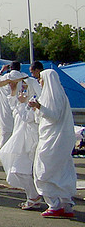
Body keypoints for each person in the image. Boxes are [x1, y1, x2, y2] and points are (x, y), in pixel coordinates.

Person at [29, 69, 77, 218]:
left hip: (52, 141)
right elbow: (42, 118)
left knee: (44, 171)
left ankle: (55, 205)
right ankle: (65, 204)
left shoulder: (54, 96)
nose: (39, 81)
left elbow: (53, 116)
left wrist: (38, 106)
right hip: (54, 139)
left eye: (41, 79)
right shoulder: (56, 95)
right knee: (61, 171)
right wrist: (38, 107)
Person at [0, 70, 41, 210]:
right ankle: (33, 196)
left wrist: (22, 103)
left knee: (19, 170)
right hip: (21, 137)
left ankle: (34, 197)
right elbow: (15, 110)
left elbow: (28, 117)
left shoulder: (32, 96)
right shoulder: (21, 95)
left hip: (29, 139)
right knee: (20, 169)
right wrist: (13, 95)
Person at [0, 62, 20, 147]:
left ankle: (3, 150)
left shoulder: (5, 78)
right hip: (20, 109)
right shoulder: (24, 77)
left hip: (6, 109)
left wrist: (1, 71)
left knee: (6, 131)